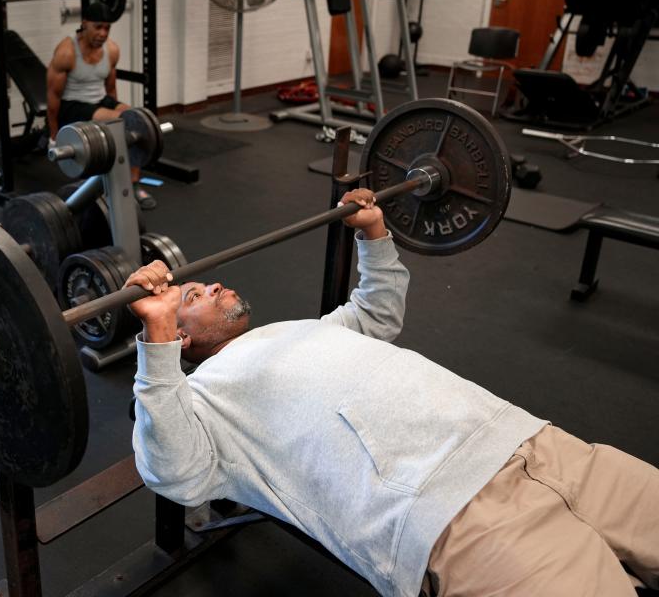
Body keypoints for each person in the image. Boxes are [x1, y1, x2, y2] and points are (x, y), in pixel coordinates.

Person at [126, 188, 659, 597]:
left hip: (538, 445)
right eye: (194, 295)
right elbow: (174, 474)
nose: (214, 285)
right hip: (462, 520)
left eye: (205, 283)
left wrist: (375, 233)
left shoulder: (298, 330)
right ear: (180, 335)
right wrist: (156, 343)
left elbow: (376, 314)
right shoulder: (200, 402)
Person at [46, 1, 156, 210]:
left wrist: (116, 108)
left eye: (107, 28)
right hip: (73, 105)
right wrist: (53, 137)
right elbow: (53, 99)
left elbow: (111, 88)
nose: (103, 33)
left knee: (136, 119)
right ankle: (109, 185)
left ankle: (133, 184)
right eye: (98, 27)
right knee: (121, 122)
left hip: (99, 101)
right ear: (84, 24)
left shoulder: (112, 50)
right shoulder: (66, 52)